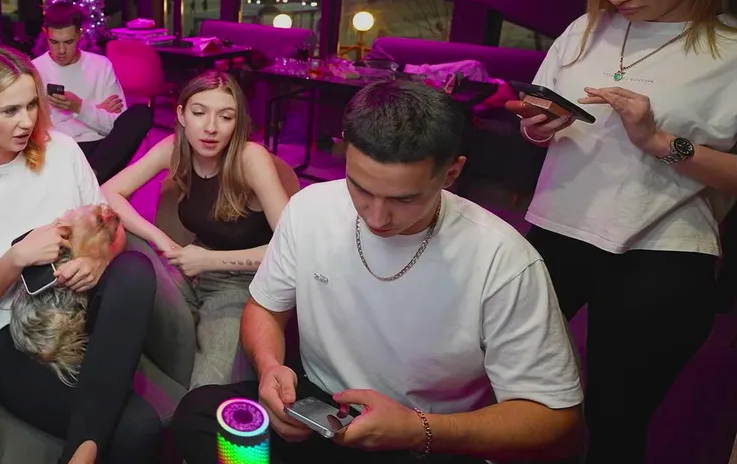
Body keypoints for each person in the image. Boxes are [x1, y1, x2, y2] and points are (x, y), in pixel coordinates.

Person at [172, 80, 585, 464]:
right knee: (201, 414)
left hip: (425, 435)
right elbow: (264, 307)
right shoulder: (311, 208)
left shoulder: (504, 260)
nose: (376, 216)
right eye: (360, 188)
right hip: (321, 410)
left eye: (403, 199)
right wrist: (269, 368)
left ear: (451, 174)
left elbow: (556, 419)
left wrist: (418, 429)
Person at [508, 0, 737, 464]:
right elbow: (543, 128)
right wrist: (541, 125)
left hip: (662, 251)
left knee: (614, 419)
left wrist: (659, 142)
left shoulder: (730, 52)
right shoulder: (584, 30)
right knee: (506, 380)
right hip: (558, 229)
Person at [0, 45, 161, 464]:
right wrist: (16, 258)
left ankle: (80, 452)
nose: (27, 121)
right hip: (11, 332)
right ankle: (85, 449)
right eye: (10, 111)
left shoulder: (63, 151)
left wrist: (97, 261)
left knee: (135, 269)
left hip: (80, 304)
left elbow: (112, 230)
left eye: (31, 105)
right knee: (140, 429)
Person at [102, 70, 291, 388]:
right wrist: (161, 240)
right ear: (181, 114)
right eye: (199, 112)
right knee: (125, 244)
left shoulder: (250, 158)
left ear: (237, 122)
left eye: (225, 117)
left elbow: (291, 250)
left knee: (206, 389)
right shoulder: (175, 148)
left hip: (243, 282)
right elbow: (109, 192)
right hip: (189, 269)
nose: (211, 127)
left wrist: (209, 261)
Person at [33, 2, 153, 183]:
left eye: (69, 42)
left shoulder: (101, 66)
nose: (61, 51)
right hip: (62, 148)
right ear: (45, 34)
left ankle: (89, 179)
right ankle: (92, 180)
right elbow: (42, 132)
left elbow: (115, 126)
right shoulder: (35, 70)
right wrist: (94, 111)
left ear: (80, 34)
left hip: (103, 148)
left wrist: (79, 107)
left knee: (141, 114)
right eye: (54, 42)